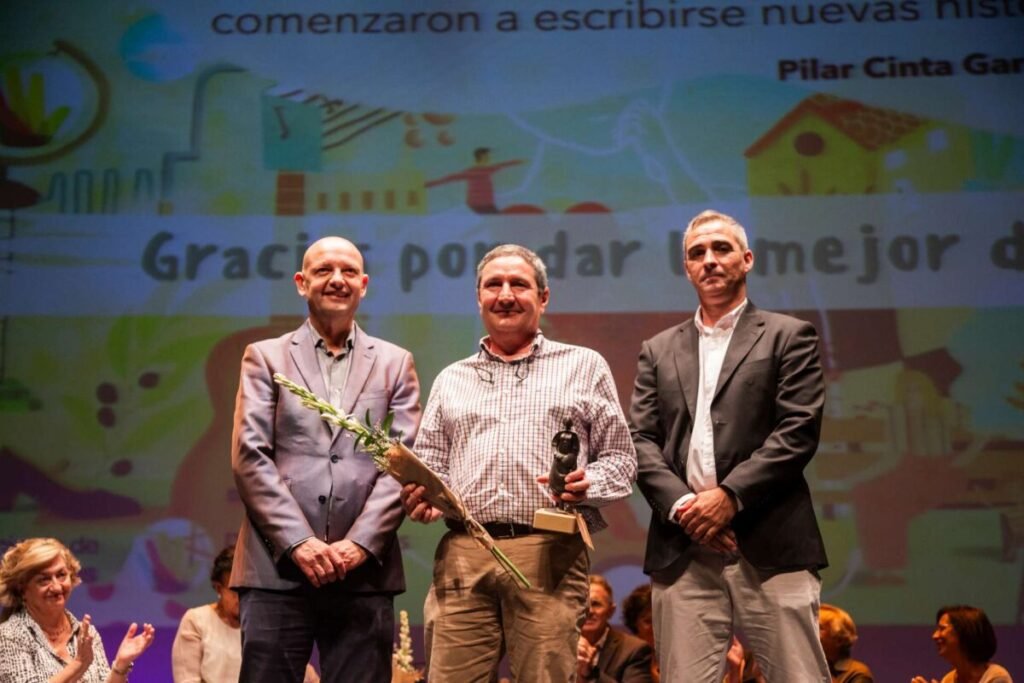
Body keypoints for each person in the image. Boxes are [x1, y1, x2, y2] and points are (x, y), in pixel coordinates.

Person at [401, 244, 637, 682]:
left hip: (548, 550)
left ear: (543, 298)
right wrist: (424, 499)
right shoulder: (452, 378)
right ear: (478, 298)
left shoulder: (583, 366)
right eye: (494, 284)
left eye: (519, 284)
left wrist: (589, 482)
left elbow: (622, 460)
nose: (505, 294)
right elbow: (431, 465)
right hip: (464, 551)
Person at [630, 209, 831, 682]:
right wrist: (685, 508)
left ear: (747, 259)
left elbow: (798, 429)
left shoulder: (788, 335)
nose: (710, 260)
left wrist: (728, 498)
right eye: (697, 253)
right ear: (687, 267)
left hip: (770, 539)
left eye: (721, 249)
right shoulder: (657, 349)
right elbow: (639, 440)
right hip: (683, 546)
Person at [230, 236, 421, 683]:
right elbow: (249, 455)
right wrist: (299, 542)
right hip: (277, 568)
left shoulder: (396, 363)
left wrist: (358, 545)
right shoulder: (265, 356)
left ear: (364, 284)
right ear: (301, 282)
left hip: (364, 574)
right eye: (323, 271)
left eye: (349, 272)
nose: (337, 280)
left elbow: (404, 464)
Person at [0, 537, 155, 683]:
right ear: (22, 588)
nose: (56, 587)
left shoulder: (86, 633)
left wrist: (121, 665)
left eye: (61, 575)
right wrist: (79, 664)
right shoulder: (9, 635)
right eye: (44, 579)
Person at [171, 545, 319, 683]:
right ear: (218, 588)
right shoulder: (197, 620)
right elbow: (187, 679)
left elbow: (302, 672)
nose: (243, 597)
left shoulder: (268, 623)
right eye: (236, 590)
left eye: (248, 590)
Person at [577, 575, 653, 683]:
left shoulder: (634, 650)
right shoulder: (558, 646)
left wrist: (591, 671)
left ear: (610, 611)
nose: (589, 611)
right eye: (582, 604)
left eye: (596, 604)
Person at [912, 605, 1012, 683]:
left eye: (942, 628)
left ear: (965, 633)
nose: (935, 635)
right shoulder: (948, 679)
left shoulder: (996, 677)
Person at [819, 604, 873, 683]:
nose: (811, 633)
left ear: (839, 640)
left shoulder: (858, 673)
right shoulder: (808, 667)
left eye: (820, 627)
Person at [621, 584, 659, 683]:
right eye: (648, 621)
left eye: (660, 620)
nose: (656, 627)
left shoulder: (681, 654)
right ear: (634, 623)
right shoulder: (623, 657)